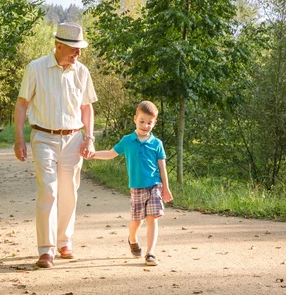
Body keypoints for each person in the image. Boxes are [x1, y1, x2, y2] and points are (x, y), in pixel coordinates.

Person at [14, 22, 98, 269]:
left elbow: (86, 107)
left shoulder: (82, 72)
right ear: (58, 45)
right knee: (48, 190)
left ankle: (64, 242)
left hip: (73, 139)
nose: (78, 53)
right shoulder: (36, 68)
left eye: (80, 48)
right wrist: (19, 138)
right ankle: (46, 249)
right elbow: (21, 104)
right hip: (43, 137)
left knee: (69, 192)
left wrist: (89, 137)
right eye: (74, 48)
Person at [89, 100, 173, 266]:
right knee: (136, 222)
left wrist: (166, 189)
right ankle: (132, 239)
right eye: (142, 121)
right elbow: (110, 154)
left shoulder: (157, 144)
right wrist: (93, 154)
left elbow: (162, 168)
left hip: (155, 186)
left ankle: (150, 253)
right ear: (135, 119)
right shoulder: (127, 140)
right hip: (137, 188)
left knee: (153, 219)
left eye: (149, 122)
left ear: (154, 123)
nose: (145, 125)